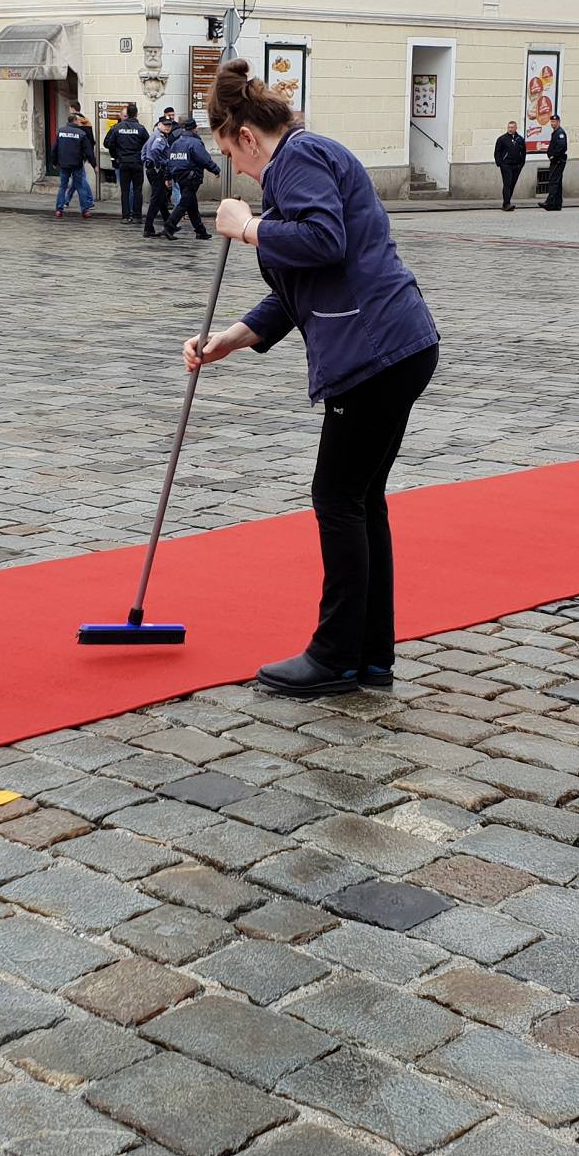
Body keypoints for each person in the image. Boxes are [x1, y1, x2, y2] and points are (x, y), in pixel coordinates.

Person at [183, 59, 441, 697]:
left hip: (373, 353)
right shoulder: (304, 161)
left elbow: (322, 241)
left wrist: (247, 228)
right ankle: (369, 655)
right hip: (395, 346)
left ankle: (336, 657)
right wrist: (228, 343)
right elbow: (296, 291)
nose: (236, 172)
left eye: (231, 156)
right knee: (360, 500)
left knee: (336, 498)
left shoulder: (296, 160)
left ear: (247, 135)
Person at [165, 115, 217, 240]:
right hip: (192, 177)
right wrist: (215, 169)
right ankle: (169, 226)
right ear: (194, 129)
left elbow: (169, 161)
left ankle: (201, 231)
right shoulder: (195, 142)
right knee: (184, 204)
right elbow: (204, 159)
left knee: (191, 205)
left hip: (179, 176)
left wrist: (168, 177)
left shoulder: (176, 143)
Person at [104, 102, 150, 223]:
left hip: (123, 162)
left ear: (127, 114)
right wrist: (143, 157)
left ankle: (125, 216)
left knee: (125, 191)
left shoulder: (118, 128)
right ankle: (137, 216)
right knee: (137, 190)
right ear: (136, 114)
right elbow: (148, 144)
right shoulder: (141, 128)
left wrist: (116, 157)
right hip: (137, 162)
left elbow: (110, 144)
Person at [51, 107, 97, 217]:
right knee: (80, 186)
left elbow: (54, 148)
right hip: (76, 164)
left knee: (63, 186)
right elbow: (89, 151)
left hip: (63, 164)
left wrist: (54, 162)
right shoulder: (81, 133)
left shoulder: (60, 132)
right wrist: (94, 164)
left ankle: (59, 209)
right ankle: (85, 210)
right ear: (75, 121)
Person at [142, 111, 180, 238]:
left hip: (152, 169)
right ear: (159, 125)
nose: (168, 127)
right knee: (156, 200)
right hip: (157, 171)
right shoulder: (160, 137)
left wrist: (146, 161)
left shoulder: (155, 135)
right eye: (165, 125)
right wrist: (161, 163)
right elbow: (154, 150)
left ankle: (170, 224)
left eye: (169, 125)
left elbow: (144, 149)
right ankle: (148, 228)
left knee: (162, 199)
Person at [493, 120, 527, 211]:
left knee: (512, 184)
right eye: (509, 127)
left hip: (516, 165)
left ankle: (507, 202)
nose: (510, 129)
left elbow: (523, 152)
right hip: (506, 165)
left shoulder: (520, 139)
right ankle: (506, 203)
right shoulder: (502, 139)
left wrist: (522, 163)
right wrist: (499, 163)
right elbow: (497, 152)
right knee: (507, 184)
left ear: (516, 128)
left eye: (512, 127)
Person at [538, 119, 567, 211]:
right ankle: (557, 204)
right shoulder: (556, 132)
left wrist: (553, 156)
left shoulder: (560, 133)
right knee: (557, 183)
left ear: (558, 122)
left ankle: (550, 202)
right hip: (557, 160)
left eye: (554, 122)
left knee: (553, 181)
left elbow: (562, 146)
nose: (552, 124)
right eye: (551, 122)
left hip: (558, 160)